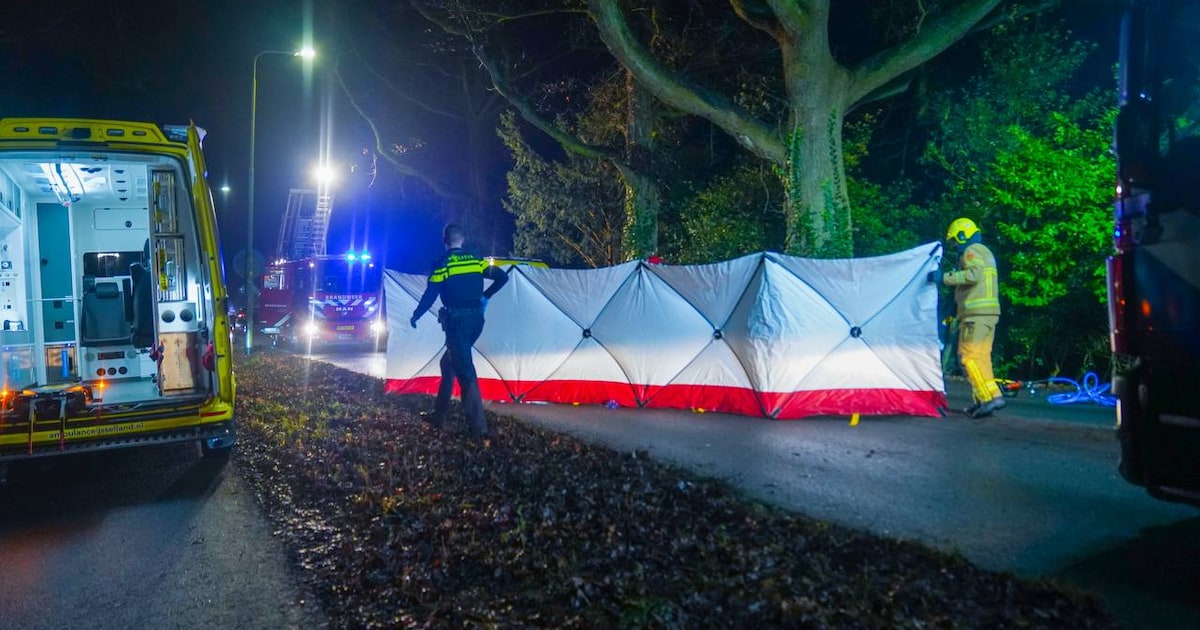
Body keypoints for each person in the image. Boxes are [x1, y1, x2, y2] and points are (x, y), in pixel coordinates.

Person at [410, 224, 509, 441]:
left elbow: (430, 295)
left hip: (457, 323)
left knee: (465, 371)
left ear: (444, 240)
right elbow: (503, 278)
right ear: (462, 239)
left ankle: (478, 429)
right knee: (448, 364)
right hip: (476, 321)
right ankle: (438, 415)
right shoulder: (476, 259)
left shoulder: (443, 264)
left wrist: (416, 314)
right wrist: (485, 296)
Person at [928, 217, 1005, 418]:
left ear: (963, 236)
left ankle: (986, 398)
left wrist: (943, 278)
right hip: (987, 314)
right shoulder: (984, 252)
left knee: (968, 356)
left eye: (955, 241)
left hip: (976, 315)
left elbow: (973, 275)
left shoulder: (972, 252)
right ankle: (990, 397)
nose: (954, 246)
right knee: (981, 358)